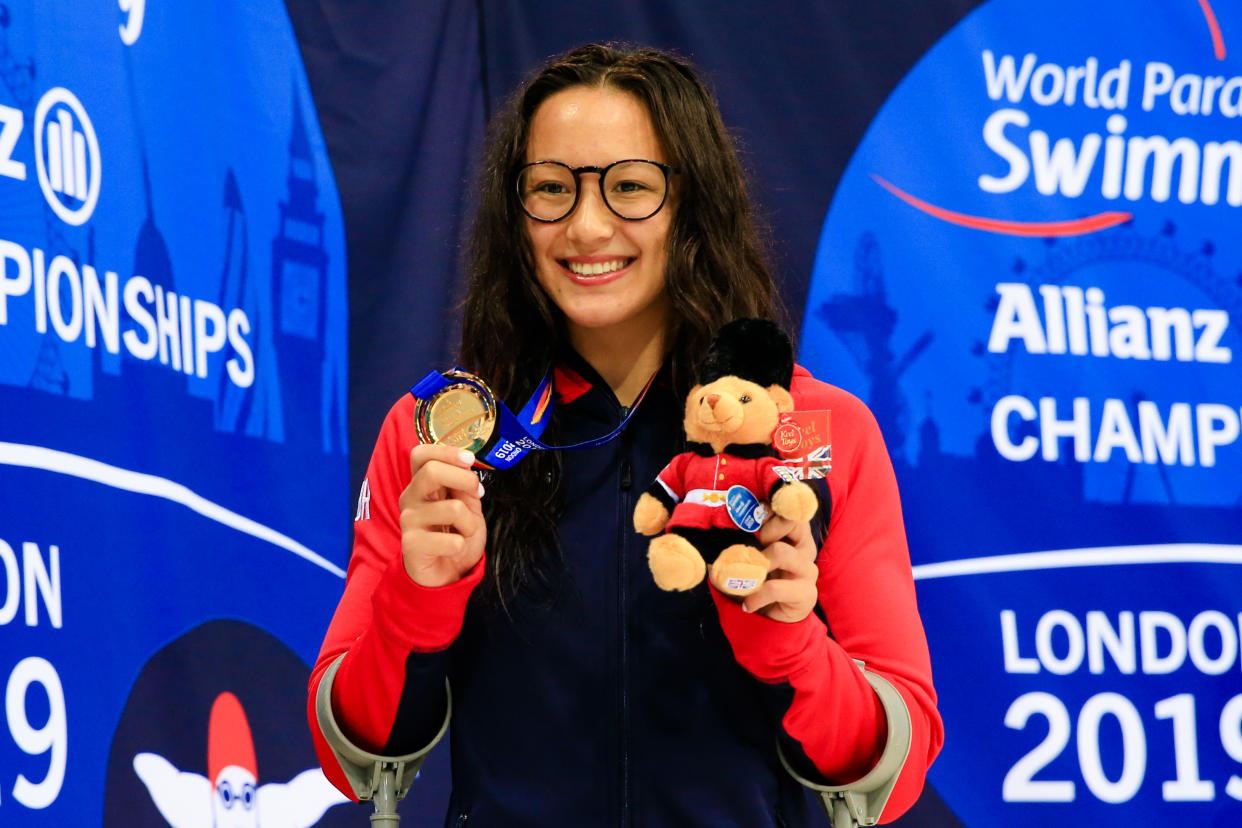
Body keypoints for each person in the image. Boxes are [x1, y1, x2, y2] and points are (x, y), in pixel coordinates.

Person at [308, 43, 942, 827]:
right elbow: (353, 752)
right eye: (550, 189)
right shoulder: (444, 432)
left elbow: (896, 764)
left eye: (630, 187)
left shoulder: (819, 431)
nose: (586, 225)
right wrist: (419, 599)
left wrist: (792, 650)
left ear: (694, 204)